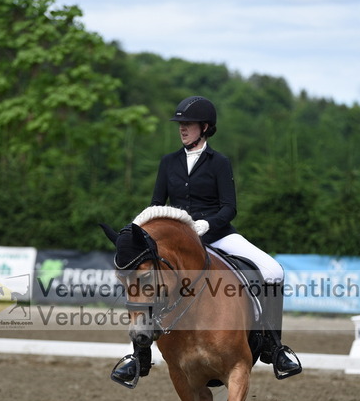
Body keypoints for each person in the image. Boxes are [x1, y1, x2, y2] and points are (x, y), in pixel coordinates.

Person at [113, 96, 301, 386]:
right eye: (180, 124)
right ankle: (138, 357)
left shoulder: (219, 162)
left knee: (273, 270)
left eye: (188, 124)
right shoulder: (168, 162)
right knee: (147, 282)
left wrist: (207, 224)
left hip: (219, 235)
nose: (182, 129)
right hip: (180, 244)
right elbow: (156, 205)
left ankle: (274, 348)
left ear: (204, 127)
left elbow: (229, 207)